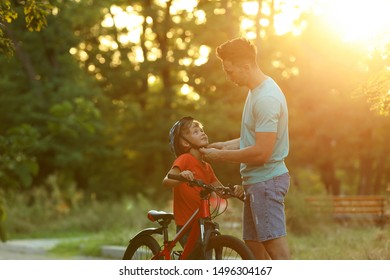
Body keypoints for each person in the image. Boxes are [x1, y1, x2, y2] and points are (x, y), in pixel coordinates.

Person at [200, 37, 291, 260]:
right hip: (256, 183)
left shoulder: (267, 98)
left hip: (266, 182)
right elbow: (253, 139)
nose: (228, 76)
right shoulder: (256, 91)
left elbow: (262, 152)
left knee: (275, 251)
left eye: (230, 71)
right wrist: (223, 145)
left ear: (246, 66)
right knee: (253, 250)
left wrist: (220, 156)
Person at [162, 116, 224, 253]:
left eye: (202, 130)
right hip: (187, 224)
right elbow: (166, 181)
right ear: (185, 143)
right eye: (196, 132)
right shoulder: (184, 159)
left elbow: (220, 190)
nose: (202, 133)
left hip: (204, 222)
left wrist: (234, 190)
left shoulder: (207, 167)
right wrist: (181, 176)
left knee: (206, 259)